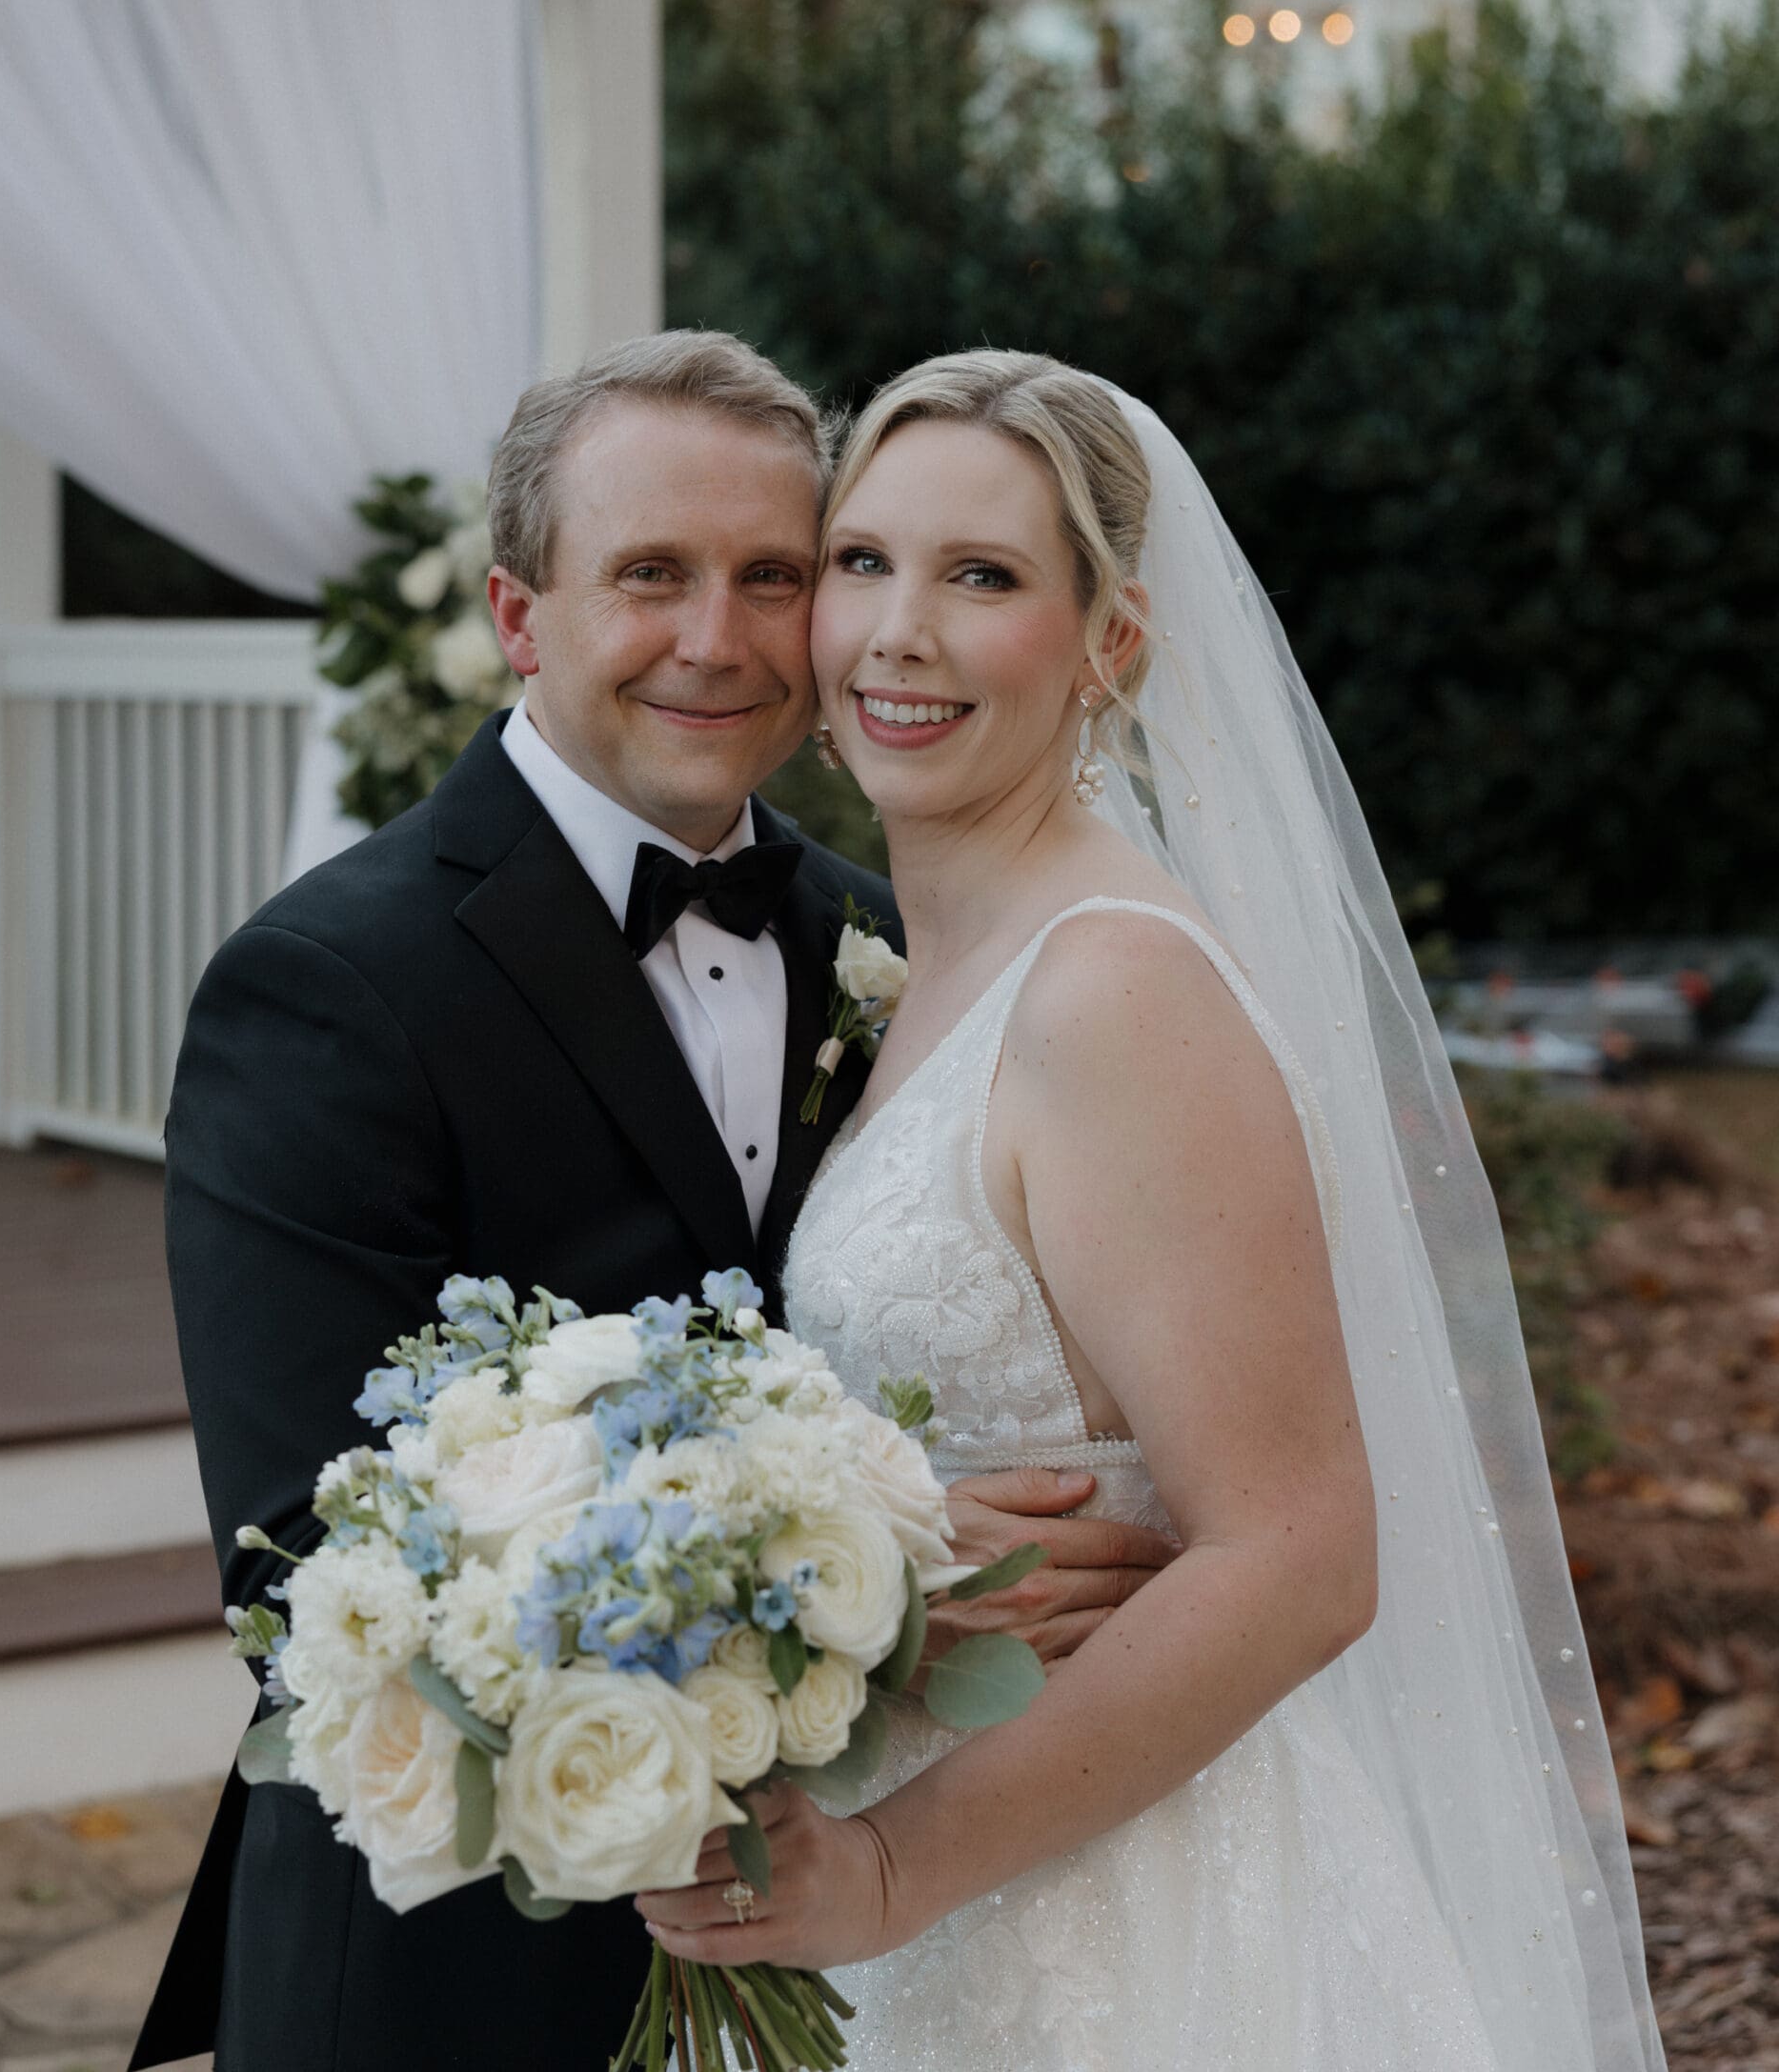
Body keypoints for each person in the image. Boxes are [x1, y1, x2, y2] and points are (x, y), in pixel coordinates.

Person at [130, 332, 1177, 2072]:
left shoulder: (892, 942)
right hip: (461, 1968)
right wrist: (881, 1583)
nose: (719, 640)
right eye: (650, 576)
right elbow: (313, 1560)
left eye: (775, 575)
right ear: (519, 614)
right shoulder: (325, 985)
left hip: (865, 1948)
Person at [637, 352, 1667, 2072]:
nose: (898, 633)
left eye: (985, 578)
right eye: (865, 561)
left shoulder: (1112, 992)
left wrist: (893, 1870)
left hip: (1124, 1919)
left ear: (1109, 644)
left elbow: (1299, 1555)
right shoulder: (915, 968)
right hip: (941, 1878)